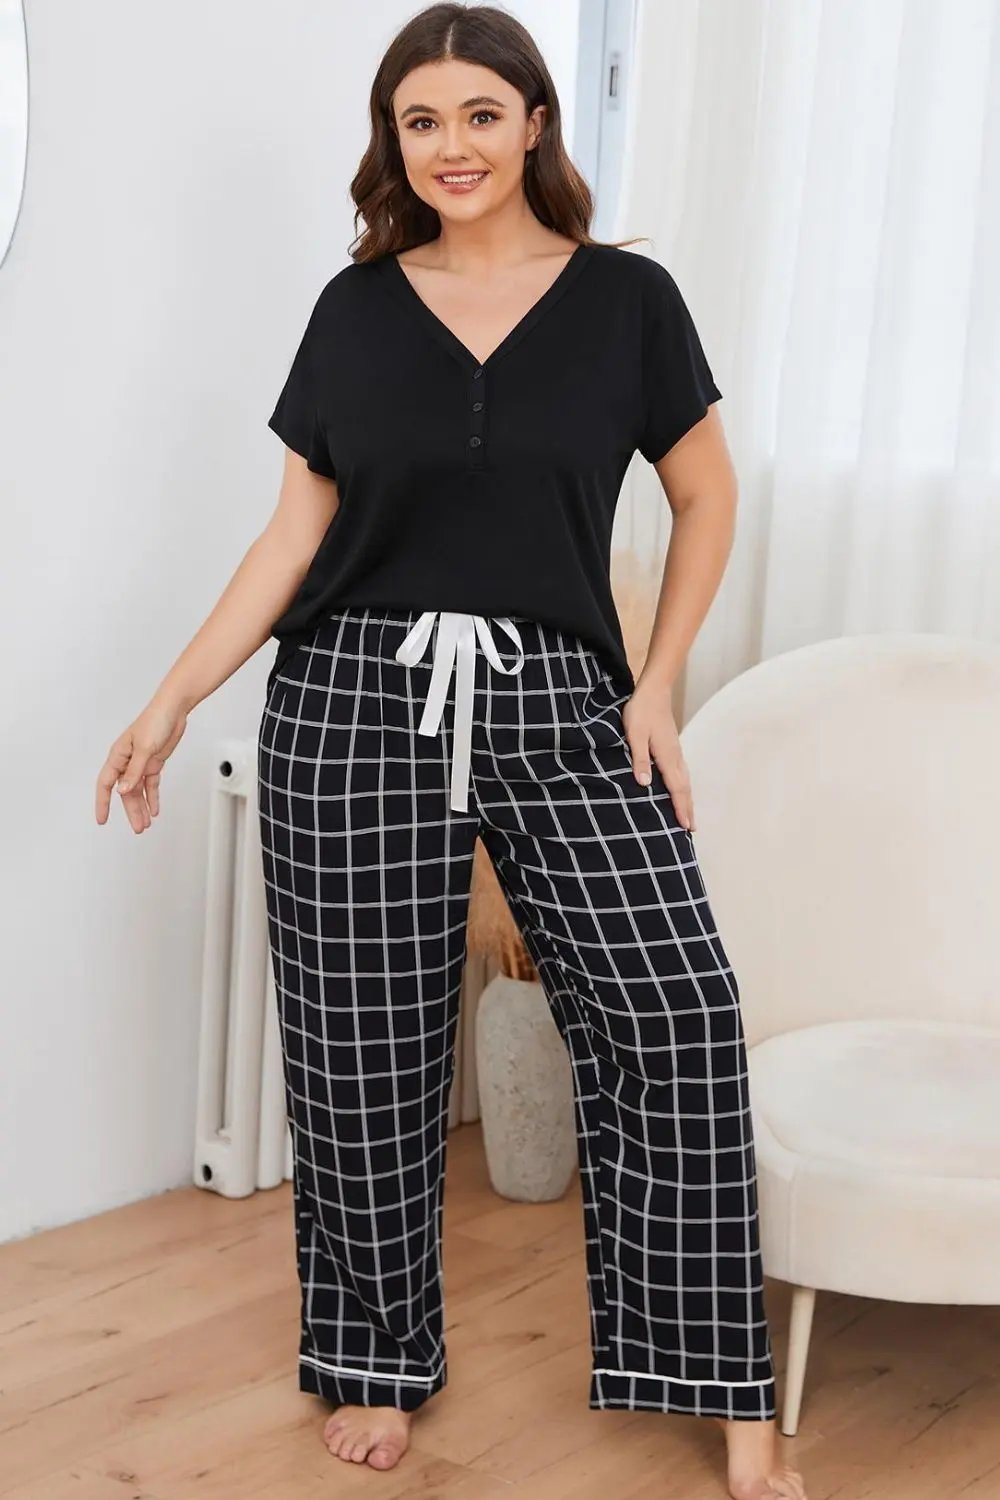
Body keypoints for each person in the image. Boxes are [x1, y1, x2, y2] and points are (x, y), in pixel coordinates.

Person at [95, 5, 808, 1498]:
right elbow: (294, 534)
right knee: (361, 1049)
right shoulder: (356, 309)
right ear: (394, 141)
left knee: (677, 1015)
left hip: (564, 699)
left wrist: (657, 685)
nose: (453, 147)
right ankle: (373, 1359)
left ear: (536, 123)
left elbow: (707, 496)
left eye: (482, 114)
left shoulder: (628, 301)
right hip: (351, 698)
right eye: (421, 122)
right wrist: (170, 701)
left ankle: (721, 1387)